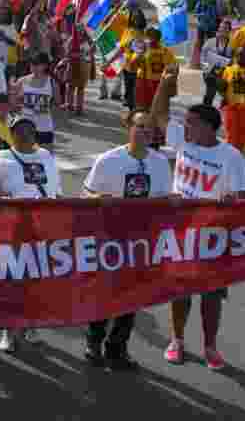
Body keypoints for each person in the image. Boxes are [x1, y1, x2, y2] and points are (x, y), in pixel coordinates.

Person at [160, 97, 245, 371]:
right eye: (185, 122)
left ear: (209, 128)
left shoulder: (231, 156)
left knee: (211, 295)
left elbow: (243, 199)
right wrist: (165, 83)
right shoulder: (184, 143)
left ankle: (210, 346)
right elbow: (158, 113)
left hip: (213, 236)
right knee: (180, 291)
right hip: (180, 232)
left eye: (191, 123)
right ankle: (177, 340)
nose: (185, 128)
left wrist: (231, 200)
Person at [82, 110, 173, 371]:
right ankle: (93, 342)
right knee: (104, 293)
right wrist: (99, 198)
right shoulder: (108, 160)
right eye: (140, 126)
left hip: (142, 240)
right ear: (129, 127)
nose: (145, 132)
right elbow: (86, 194)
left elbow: (163, 199)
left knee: (132, 297)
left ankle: (117, 348)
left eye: (149, 128)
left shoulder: (159, 162)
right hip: (110, 238)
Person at [0, 114, 62, 352]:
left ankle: (29, 325)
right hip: (11, 227)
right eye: (18, 129)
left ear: (35, 133)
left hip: (41, 226)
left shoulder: (46, 156)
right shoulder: (2, 157)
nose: (24, 133)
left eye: (28, 129)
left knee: (35, 279)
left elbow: (56, 192)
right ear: (11, 133)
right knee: (12, 279)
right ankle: (8, 330)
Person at [13, 51, 57, 150]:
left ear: (45, 65)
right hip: (25, 127)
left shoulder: (52, 82)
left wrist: (46, 111)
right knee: (24, 155)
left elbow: (57, 103)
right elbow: (13, 103)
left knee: (46, 156)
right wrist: (18, 104)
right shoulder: (21, 81)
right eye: (32, 64)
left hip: (44, 126)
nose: (34, 67)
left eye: (37, 64)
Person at [219, 48, 245, 153]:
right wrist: (222, 96)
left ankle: (239, 157)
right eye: (239, 55)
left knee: (242, 136)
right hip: (231, 107)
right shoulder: (229, 70)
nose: (242, 57)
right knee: (231, 135)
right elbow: (223, 87)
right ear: (235, 56)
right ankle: (229, 157)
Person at [130, 27, 176, 115]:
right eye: (149, 35)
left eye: (154, 36)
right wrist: (140, 54)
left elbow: (173, 68)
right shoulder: (142, 49)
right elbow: (132, 67)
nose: (151, 38)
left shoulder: (166, 51)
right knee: (141, 109)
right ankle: (141, 125)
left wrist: (170, 81)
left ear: (159, 37)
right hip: (143, 82)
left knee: (159, 110)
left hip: (159, 83)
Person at [119, 8, 148, 108]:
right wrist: (110, 62)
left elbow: (143, 51)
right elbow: (121, 49)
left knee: (136, 94)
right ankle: (131, 113)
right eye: (134, 17)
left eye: (138, 17)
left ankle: (135, 115)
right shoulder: (127, 31)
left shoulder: (144, 34)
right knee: (128, 92)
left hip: (139, 69)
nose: (136, 19)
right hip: (126, 67)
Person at [200, 19, 233, 106]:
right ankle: (206, 108)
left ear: (229, 31)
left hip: (225, 73)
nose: (222, 30)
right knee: (211, 89)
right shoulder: (210, 42)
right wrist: (205, 69)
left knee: (228, 93)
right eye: (221, 28)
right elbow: (203, 56)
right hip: (210, 72)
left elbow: (234, 60)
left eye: (225, 28)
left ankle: (224, 108)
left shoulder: (232, 44)